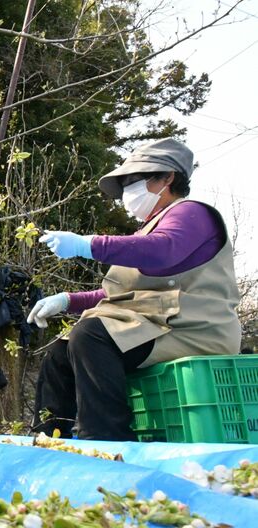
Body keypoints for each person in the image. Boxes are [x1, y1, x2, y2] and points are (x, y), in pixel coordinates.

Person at [26, 138, 240, 440]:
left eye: (134, 180)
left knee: (91, 334)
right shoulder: (147, 229)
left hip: (194, 328)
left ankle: (105, 438)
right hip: (156, 323)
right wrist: (67, 301)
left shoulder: (191, 213)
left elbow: (162, 250)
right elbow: (123, 295)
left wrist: (88, 244)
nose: (128, 191)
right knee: (61, 351)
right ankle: (50, 436)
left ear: (168, 177)